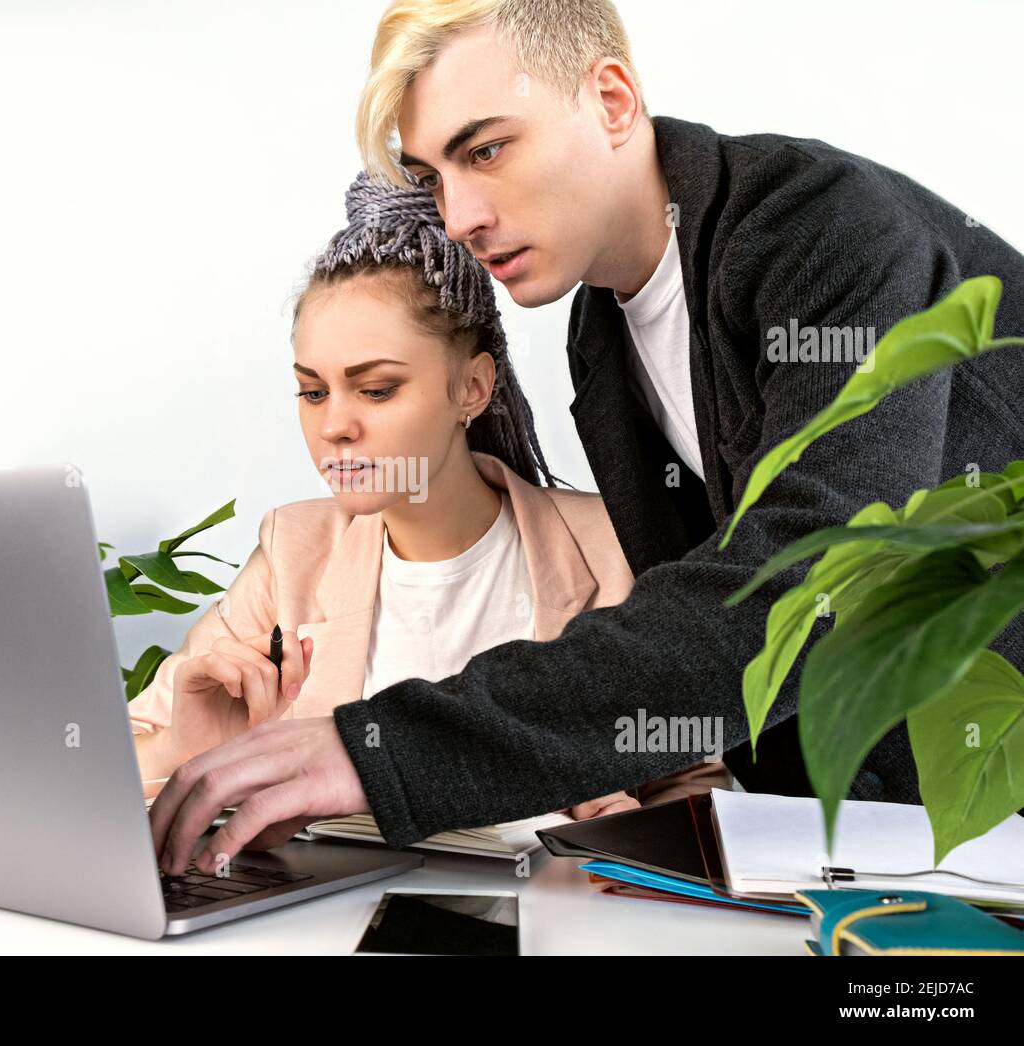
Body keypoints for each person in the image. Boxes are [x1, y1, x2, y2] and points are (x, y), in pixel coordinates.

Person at [149, 0, 1024, 878]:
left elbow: (820, 573)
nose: (457, 216)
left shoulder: (824, 228)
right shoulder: (598, 332)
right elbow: (709, 632)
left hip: (988, 809)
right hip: (879, 847)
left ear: (611, 99)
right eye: (433, 176)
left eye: (485, 150)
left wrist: (387, 751)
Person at [130, 171, 729, 829]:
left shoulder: (614, 550)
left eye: (377, 389)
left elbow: (704, 795)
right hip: (341, 925)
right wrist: (192, 750)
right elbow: (120, 765)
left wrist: (625, 829)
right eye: (313, 391)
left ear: (471, 388)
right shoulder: (292, 555)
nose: (335, 426)